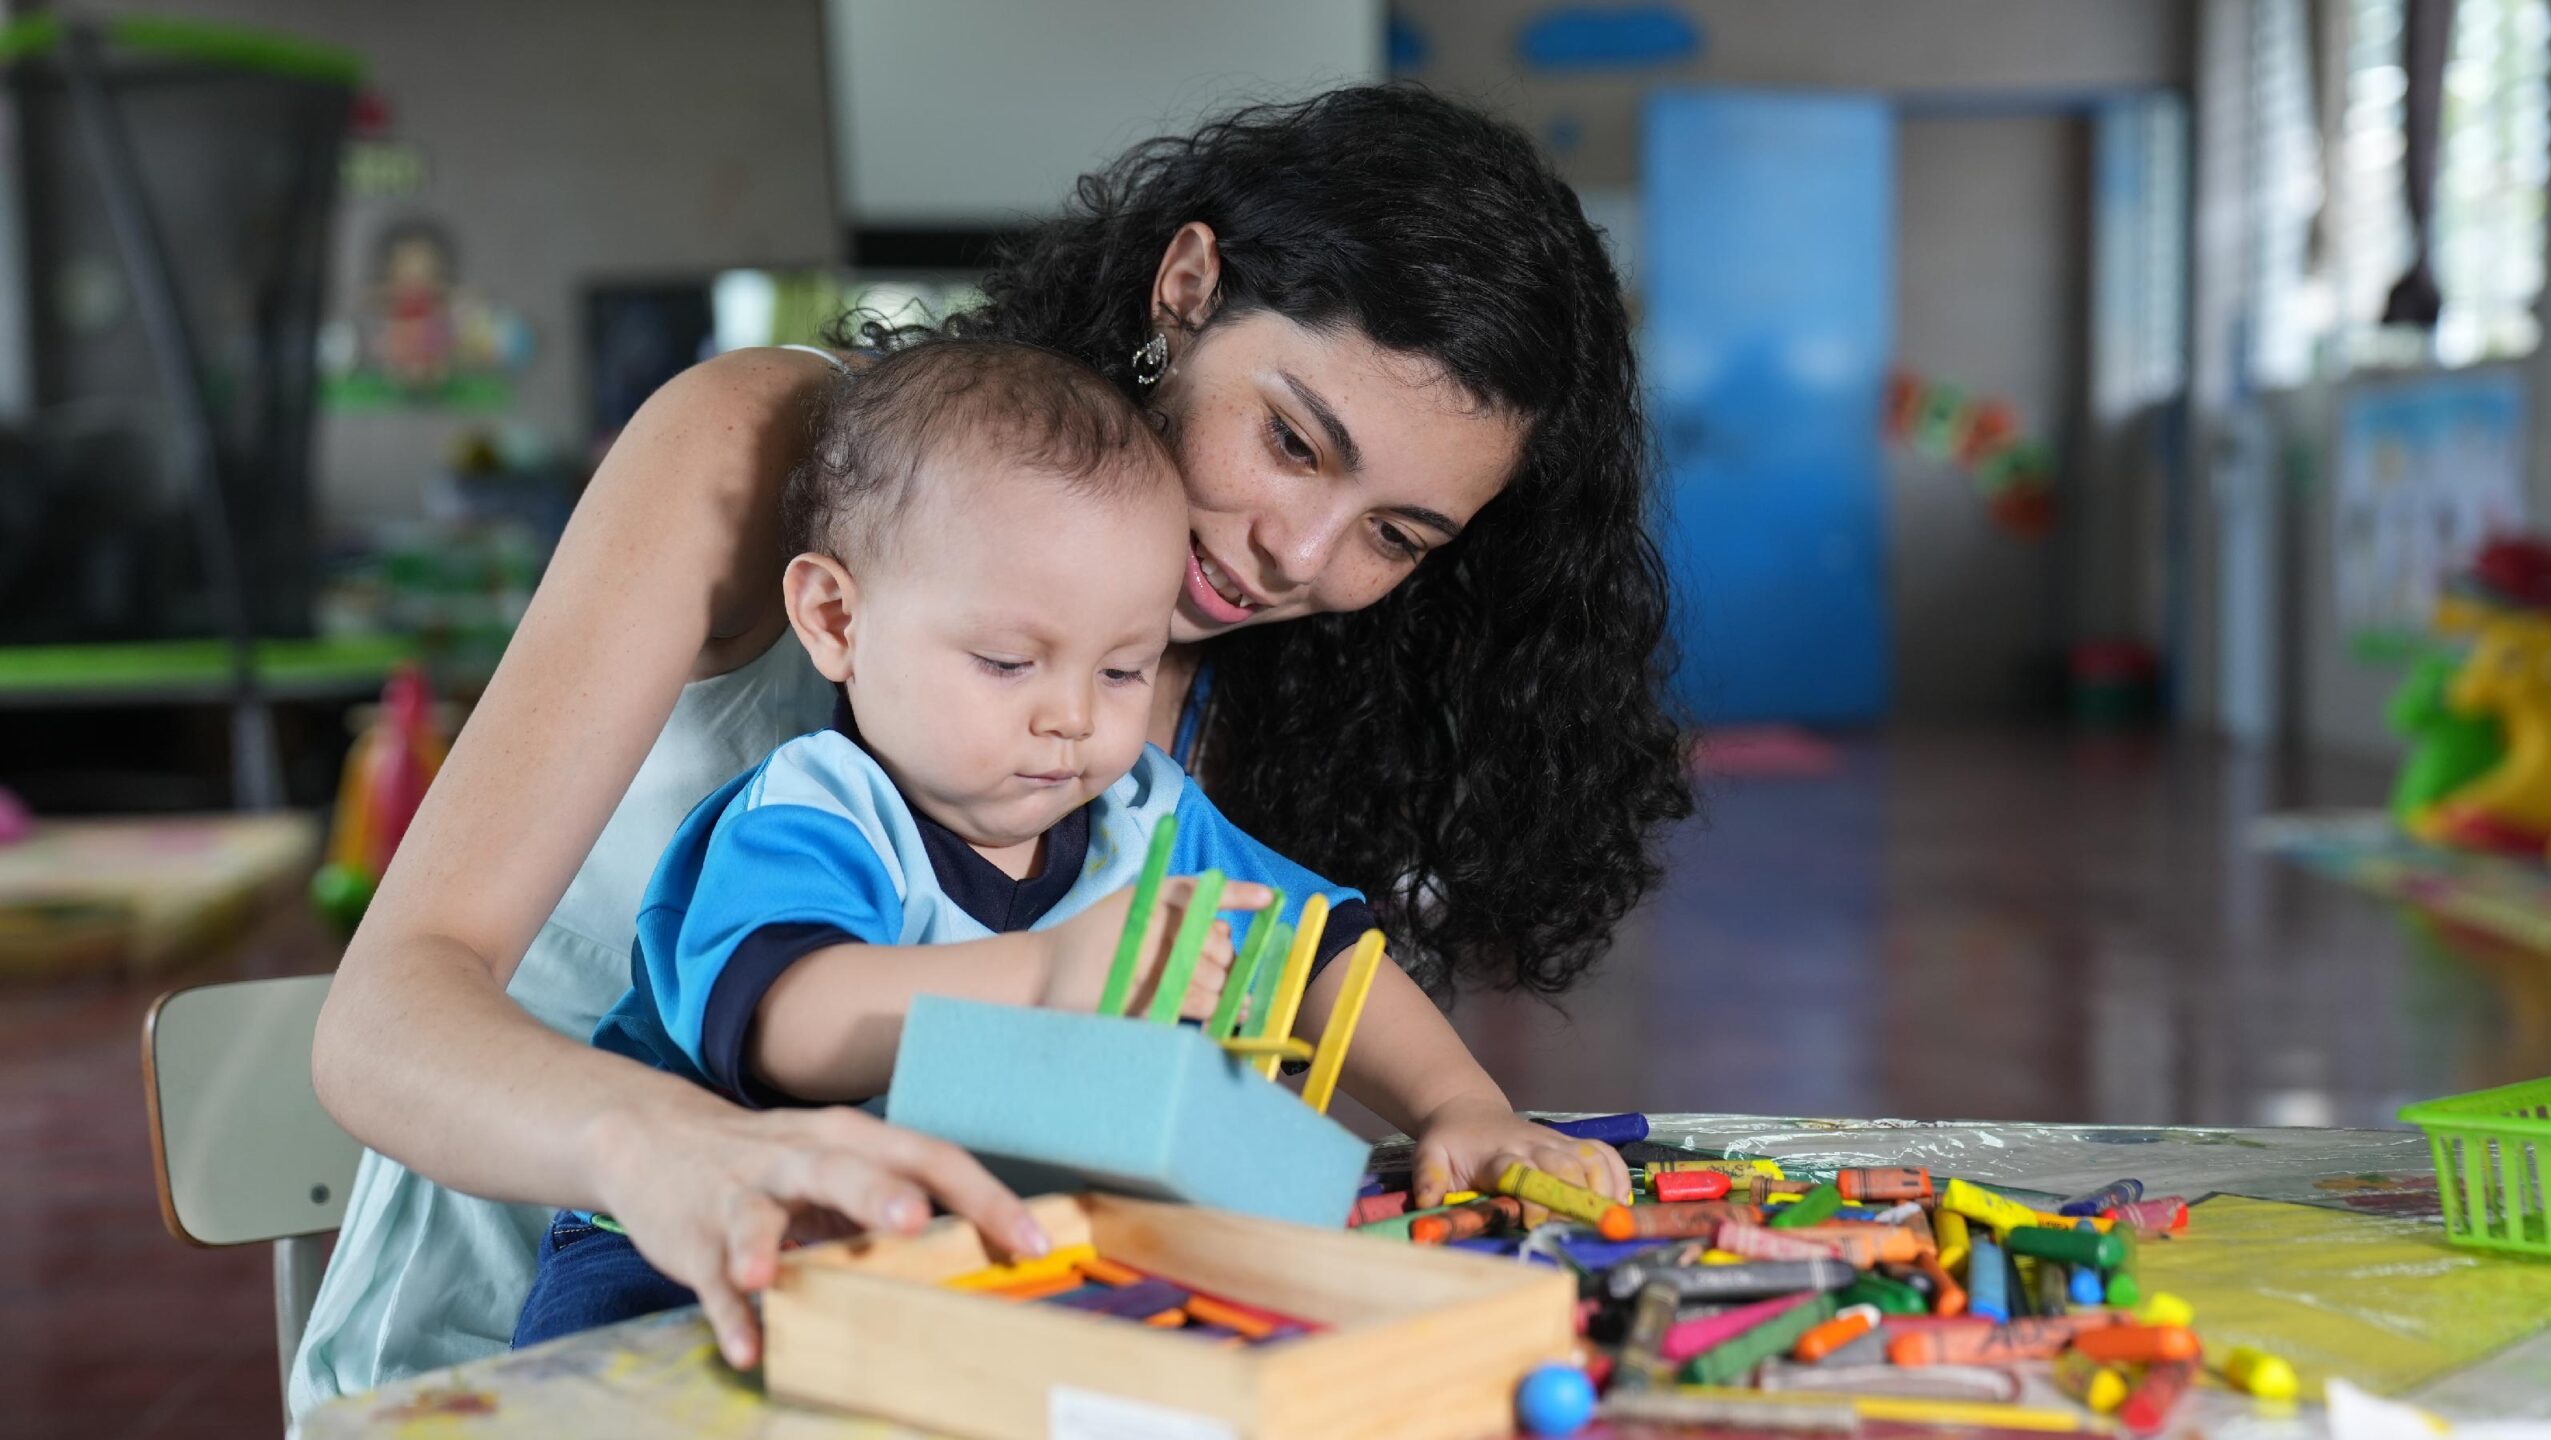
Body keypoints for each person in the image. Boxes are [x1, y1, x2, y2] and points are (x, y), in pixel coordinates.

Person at [295, 84, 1689, 1416]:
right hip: (542, 1327)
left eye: (1394, 536)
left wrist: (1456, 1107)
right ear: (1185, 291)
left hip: (907, 1338)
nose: (1297, 554)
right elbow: (381, 1026)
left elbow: (1279, 968)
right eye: (1290, 441)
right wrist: (667, 1146)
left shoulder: (1216, 706)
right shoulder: (780, 456)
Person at [511, 337, 1619, 1347]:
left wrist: (1461, 1107)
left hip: (937, 1256)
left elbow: (1317, 951)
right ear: (837, 622)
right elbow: (790, 1023)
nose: (1072, 717)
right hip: (686, 1250)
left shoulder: (1145, 812)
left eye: (1122, 668)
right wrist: (1047, 972)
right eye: (1007, 663)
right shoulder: (817, 812)